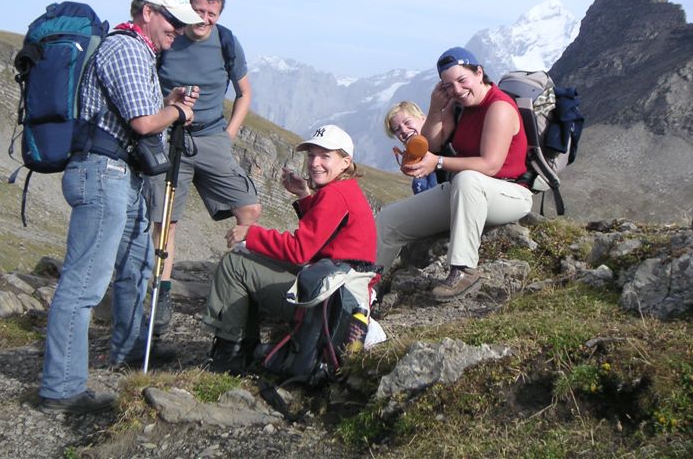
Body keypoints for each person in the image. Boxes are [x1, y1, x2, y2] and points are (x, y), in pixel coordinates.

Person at [39, 0, 201, 415]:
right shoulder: (127, 49)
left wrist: (167, 100)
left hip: (119, 176)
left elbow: (136, 110)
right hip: (103, 174)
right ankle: (61, 389)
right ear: (147, 12)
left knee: (137, 263)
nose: (178, 29)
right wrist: (177, 111)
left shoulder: (139, 51)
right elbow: (144, 123)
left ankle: (128, 349)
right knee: (85, 282)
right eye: (172, 19)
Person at [202, 124, 377, 374]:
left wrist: (251, 233)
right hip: (338, 291)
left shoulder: (335, 195)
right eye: (311, 155)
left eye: (325, 156)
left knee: (235, 264)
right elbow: (325, 237)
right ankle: (244, 347)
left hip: (326, 302)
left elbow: (300, 251)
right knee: (249, 257)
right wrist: (305, 195)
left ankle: (230, 353)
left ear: (345, 163)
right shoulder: (345, 189)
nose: (315, 163)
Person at [145, 0, 261, 336]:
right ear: (187, 7)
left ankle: (237, 283)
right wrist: (166, 107)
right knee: (166, 221)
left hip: (212, 137)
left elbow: (244, 92)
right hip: (170, 136)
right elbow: (146, 85)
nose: (205, 18)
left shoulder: (226, 41)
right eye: (198, 10)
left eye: (212, 13)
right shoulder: (171, 37)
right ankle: (161, 296)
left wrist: (229, 134)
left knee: (249, 208)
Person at [375, 47, 533, 302]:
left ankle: (463, 270)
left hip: (509, 193)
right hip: (466, 193)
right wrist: (436, 107)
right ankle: (363, 292)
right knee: (388, 220)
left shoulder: (499, 107)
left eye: (462, 80)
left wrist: (437, 163)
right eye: (448, 86)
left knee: (467, 178)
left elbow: (490, 165)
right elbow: (432, 144)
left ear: (479, 73)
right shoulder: (457, 106)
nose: (457, 90)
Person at [385, 101, 437, 195]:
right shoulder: (417, 163)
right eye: (397, 129)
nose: (404, 130)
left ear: (423, 119)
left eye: (407, 122)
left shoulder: (442, 146)